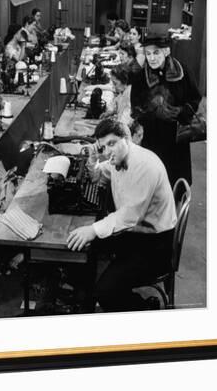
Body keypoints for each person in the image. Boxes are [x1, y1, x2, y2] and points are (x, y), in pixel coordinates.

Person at [67, 119, 177, 312]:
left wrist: (92, 229)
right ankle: (85, 298)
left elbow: (129, 216)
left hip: (156, 245)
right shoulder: (118, 158)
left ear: (127, 139)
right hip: (137, 233)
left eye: (112, 143)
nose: (108, 151)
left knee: (106, 292)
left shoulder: (144, 166)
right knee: (84, 247)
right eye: (103, 147)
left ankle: (144, 308)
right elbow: (99, 176)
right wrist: (93, 160)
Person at [130, 35, 201, 186]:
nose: (151, 58)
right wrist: (152, 113)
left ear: (166, 51)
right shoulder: (141, 77)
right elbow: (135, 106)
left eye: (156, 53)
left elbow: (195, 97)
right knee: (153, 179)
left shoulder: (182, 71)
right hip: (153, 135)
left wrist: (181, 112)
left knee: (176, 178)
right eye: (148, 54)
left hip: (177, 134)